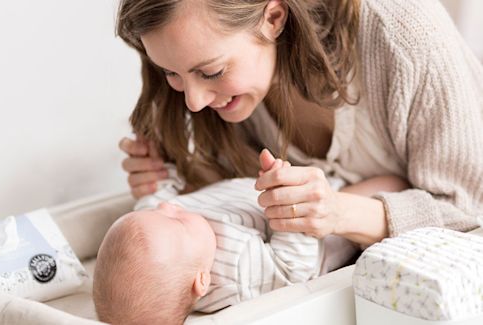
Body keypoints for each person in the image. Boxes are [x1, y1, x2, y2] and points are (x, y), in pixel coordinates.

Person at [116, 0, 483, 247]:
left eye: (211, 71)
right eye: (171, 73)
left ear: (274, 19)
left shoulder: (405, 38)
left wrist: (338, 211)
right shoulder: (226, 82)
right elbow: (251, 206)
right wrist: (179, 177)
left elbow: (470, 213)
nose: (193, 102)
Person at [93, 151, 410, 324]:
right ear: (200, 281)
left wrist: (162, 173)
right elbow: (291, 268)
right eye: (176, 221)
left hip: (270, 191)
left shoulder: (158, 227)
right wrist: (286, 205)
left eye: (157, 212)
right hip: (321, 227)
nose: (168, 207)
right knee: (391, 183)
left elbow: (154, 201)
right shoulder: (235, 272)